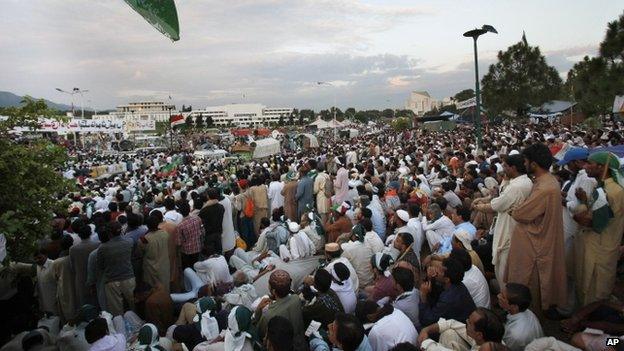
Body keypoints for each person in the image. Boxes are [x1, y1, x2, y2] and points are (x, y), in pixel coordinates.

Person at [505, 143, 567, 314]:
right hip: (537, 240)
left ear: (533, 164)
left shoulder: (544, 188)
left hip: (535, 244)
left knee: (528, 285)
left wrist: (514, 210)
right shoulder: (546, 181)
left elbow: (521, 214)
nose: (523, 165)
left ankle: (528, 318)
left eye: (525, 161)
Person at [472, 153, 532, 286]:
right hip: (510, 228)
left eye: (506, 167)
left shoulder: (517, 186)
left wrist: (478, 206)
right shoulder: (520, 182)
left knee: (504, 271)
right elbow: (500, 194)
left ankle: (508, 301)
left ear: (514, 168)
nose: (503, 170)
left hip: (509, 233)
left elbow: (497, 204)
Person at [574, 151, 624, 306]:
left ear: (603, 167)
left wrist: (580, 206)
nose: (585, 166)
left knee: (594, 290)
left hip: (599, 248)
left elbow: (588, 221)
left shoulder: (610, 191)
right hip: (602, 246)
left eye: (590, 163)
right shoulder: (606, 188)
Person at [419, 258, 476, 327]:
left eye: (439, 270)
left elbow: (426, 321)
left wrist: (423, 296)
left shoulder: (448, 299)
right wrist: (430, 279)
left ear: (447, 279)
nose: (434, 270)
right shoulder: (455, 283)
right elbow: (437, 292)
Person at [254, 270, 305, 346]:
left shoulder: (268, 315)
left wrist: (258, 310)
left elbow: (259, 333)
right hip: (300, 343)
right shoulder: (296, 298)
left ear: (274, 291)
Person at [418, 308, 505, 351]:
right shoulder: (485, 337)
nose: (466, 321)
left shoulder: (487, 348)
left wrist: (426, 343)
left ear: (479, 335)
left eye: (470, 323)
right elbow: (451, 323)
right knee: (448, 333)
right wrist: (426, 330)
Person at [96, 222, 135, 317]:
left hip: (112, 280)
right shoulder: (129, 242)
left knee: (116, 311)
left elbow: (100, 265)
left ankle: (120, 328)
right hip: (128, 277)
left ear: (109, 233)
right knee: (133, 305)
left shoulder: (103, 248)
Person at [498, 283, 544, 351]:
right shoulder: (527, 312)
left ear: (514, 307)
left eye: (503, 297)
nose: (498, 296)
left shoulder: (515, 335)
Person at [69, 223, 100, 308]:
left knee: (85, 306)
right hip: (96, 278)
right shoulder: (97, 245)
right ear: (90, 233)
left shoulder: (73, 249)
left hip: (81, 279)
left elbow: (72, 267)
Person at [140, 215, 171, 294]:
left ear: (147, 225)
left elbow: (141, 251)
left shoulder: (145, 239)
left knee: (153, 290)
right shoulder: (165, 234)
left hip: (151, 267)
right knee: (165, 287)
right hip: (164, 265)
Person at [340, 224, 375, 289]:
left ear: (354, 236)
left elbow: (340, 260)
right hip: (370, 279)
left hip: (360, 282)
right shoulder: (369, 244)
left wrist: (339, 238)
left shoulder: (350, 248)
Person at [176, 201, 203, 269]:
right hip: (197, 247)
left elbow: (179, 243)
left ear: (180, 212)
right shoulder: (197, 219)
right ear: (189, 209)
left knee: (187, 269)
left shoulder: (180, 226)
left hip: (187, 251)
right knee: (195, 266)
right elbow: (201, 232)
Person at [199, 188, 225, 255]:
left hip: (209, 235)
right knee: (219, 252)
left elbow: (200, 219)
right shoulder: (221, 207)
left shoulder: (204, 210)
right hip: (218, 233)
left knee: (211, 254)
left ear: (208, 196)